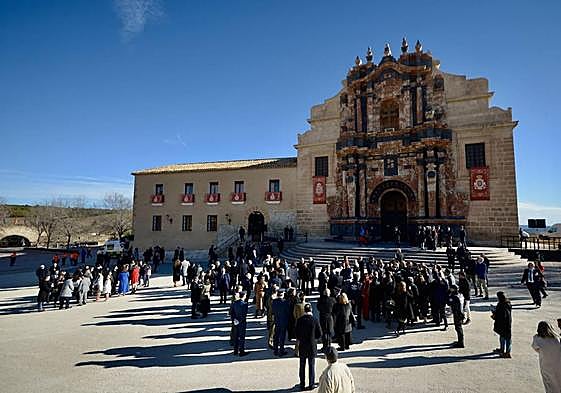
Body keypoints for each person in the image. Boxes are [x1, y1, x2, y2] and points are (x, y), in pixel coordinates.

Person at [295, 303, 322, 391]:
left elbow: (297, 334)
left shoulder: (300, 320)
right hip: (312, 345)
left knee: (302, 365)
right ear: (311, 310)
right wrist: (315, 339)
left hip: (302, 345)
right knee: (311, 365)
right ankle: (311, 384)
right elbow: (319, 333)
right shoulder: (315, 320)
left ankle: (302, 384)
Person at [531, 321, 561, 393]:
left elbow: (535, 347)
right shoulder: (557, 338)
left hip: (546, 364)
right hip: (558, 364)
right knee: (558, 382)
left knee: (548, 383)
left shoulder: (537, 338)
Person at [491, 291, 512, 358]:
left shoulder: (501, 305)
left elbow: (501, 315)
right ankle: (503, 350)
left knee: (504, 337)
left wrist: (494, 314)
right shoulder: (508, 303)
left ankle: (507, 352)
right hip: (508, 322)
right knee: (506, 337)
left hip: (502, 323)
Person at [230, 291, 249, 357]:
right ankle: (241, 351)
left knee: (236, 336)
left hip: (235, 322)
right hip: (242, 323)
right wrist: (239, 321)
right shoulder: (245, 304)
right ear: (244, 296)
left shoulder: (234, 303)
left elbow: (231, 313)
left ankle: (235, 350)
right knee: (242, 337)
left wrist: (234, 320)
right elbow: (244, 315)